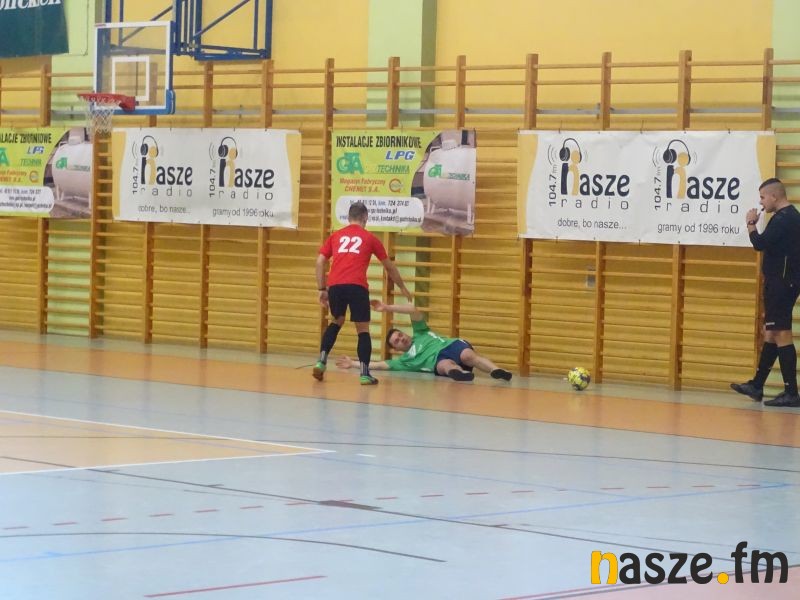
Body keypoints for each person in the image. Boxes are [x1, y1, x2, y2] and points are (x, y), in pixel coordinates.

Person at [314, 201, 412, 385]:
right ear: (365, 217)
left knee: (336, 321)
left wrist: (321, 288)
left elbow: (320, 262)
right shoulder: (370, 238)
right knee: (363, 330)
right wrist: (402, 287)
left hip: (335, 285)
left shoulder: (336, 236)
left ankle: (321, 361)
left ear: (348, 217)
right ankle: (365, 374)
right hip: (357, 286)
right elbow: (389, 267)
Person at [731, 178, 800, 407]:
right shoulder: (786, 217)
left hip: (782, 283)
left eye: (762, 197)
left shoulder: (784, 219)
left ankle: (792, 393)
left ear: (774, 196)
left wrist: (751, 224)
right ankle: (757, 385)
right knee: (771, 333)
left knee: (781, 334)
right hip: (780, 282)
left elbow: (759, 243)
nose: (761, 202)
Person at [335, 300, 513, 382]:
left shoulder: (420, 331)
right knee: (445, 366)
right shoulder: (404, 361)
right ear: (397, 349)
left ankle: (497, 371)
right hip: (438, 360)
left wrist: (387, 307)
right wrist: (353, 363)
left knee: (468, 356)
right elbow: (379, 365)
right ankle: (461, 374)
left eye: (400, 335)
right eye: (397, 341)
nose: (401, 338)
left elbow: (412, 309)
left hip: (450, 345)